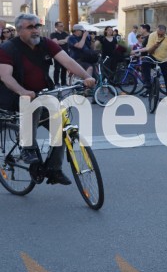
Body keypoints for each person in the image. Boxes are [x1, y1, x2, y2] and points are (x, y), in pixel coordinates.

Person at [0, 14, 96, 185]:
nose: (35, 30)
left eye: (37, 26)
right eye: (30, 27)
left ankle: (54, 169)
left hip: (42, 93)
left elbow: (68, 61)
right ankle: (27, 148)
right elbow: (6, 77)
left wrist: (86, 76)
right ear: (19, 30)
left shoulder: (46, 43)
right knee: (33, 104)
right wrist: (22, 91)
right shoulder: (8, 48)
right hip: (14, 95)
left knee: (60, 124)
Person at [134, 24, 167, 99]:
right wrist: (155, 46)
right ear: (156, 30)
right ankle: (147, 82)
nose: (159, 35)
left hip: (164, 59)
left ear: (165, 32)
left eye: (161, 34)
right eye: (158, 34)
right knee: (145, 63)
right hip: (153, 57)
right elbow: (148, 49)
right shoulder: (152, 35)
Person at [49, 21, 69, 86]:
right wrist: (63, 41)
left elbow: (66, 40)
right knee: (57, 69)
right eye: (60, 26)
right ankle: (56, 83)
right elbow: (56, 43)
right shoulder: (53, 34)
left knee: (64, 69)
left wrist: (60, 41)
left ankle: (64, 83)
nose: (62, 27)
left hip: (65, 53)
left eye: (63, 26)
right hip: (57, 54)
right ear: (56, 27)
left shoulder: (65, 34)